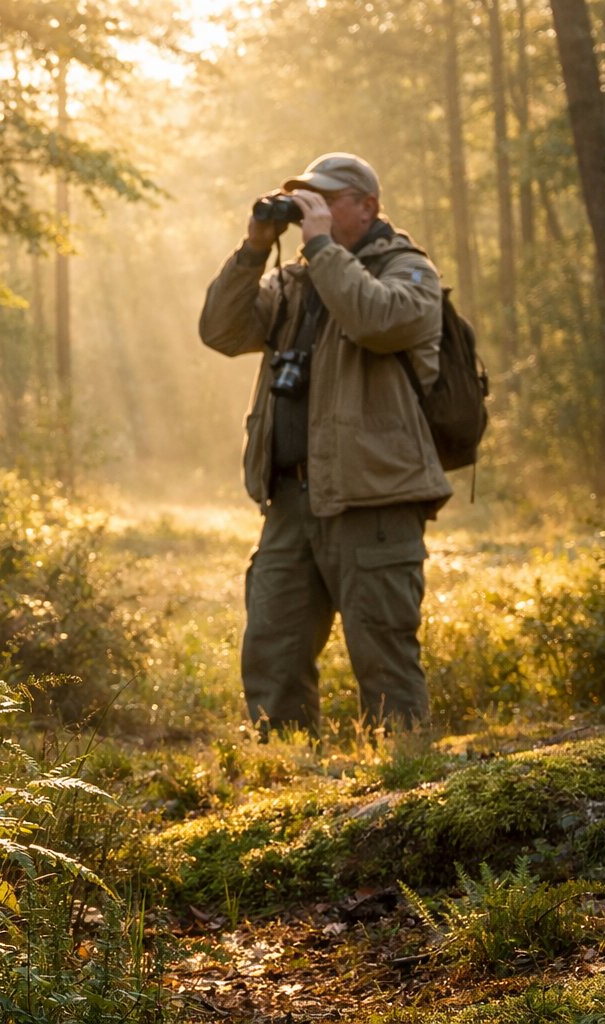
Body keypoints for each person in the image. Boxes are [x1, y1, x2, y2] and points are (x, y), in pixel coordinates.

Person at [198, 152, 451, 738]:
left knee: (384, 655)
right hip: (291, 501)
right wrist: (255, 247)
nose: (313, 207)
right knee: (272, 649)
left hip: (374, 501)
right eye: (305, 197)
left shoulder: (408, 271)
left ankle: (405, 782)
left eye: (328, 198)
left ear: (368, 206)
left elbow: (375, 320)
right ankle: (285, 782)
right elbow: (221, 331)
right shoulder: (294, 280)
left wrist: (320, 247)